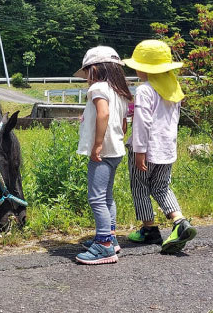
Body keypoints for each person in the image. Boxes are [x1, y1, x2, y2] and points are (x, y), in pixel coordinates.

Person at [123, 39, 197, 254]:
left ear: (145, 69)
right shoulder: (174, 90)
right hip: (167, 149)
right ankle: (180, 222)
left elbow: (143, 123)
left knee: (140, 188)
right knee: (161, 187)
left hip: (145, 150)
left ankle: (149, 230)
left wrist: (139, 151)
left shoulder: (145, 90)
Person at [73, 46, 132, 265]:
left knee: (96, 198)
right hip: (115, 150)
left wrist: (97, 144)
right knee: (107, 197)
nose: (86, 77)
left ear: (94, 69)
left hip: (103, 152)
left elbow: (103, 114)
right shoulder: (119, 91)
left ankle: (104, 247)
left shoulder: (98, 88)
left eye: (87, 71)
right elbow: (123, 122)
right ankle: (110, 237)